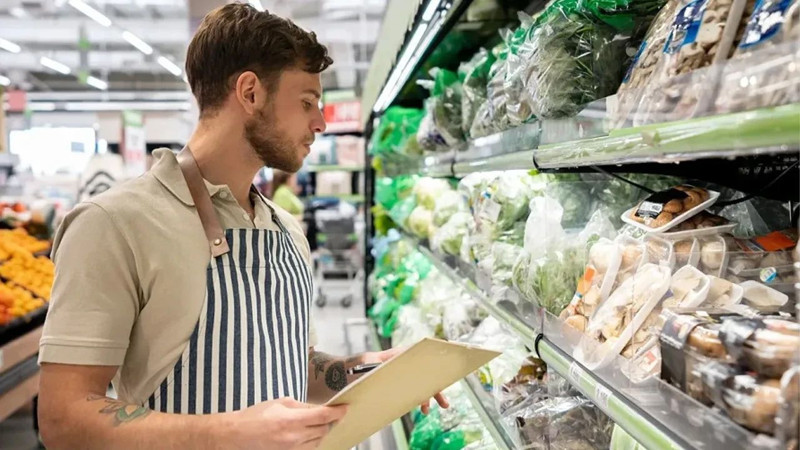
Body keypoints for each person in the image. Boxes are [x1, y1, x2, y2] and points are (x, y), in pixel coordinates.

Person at [37, 4, 446, 449]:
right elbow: (64, 417)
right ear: (250, 93)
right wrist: (227, 432)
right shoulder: (113, 224)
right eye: (307, 101)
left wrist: (366, 369)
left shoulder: (285, 230)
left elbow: (289, 364)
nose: (321, 123)